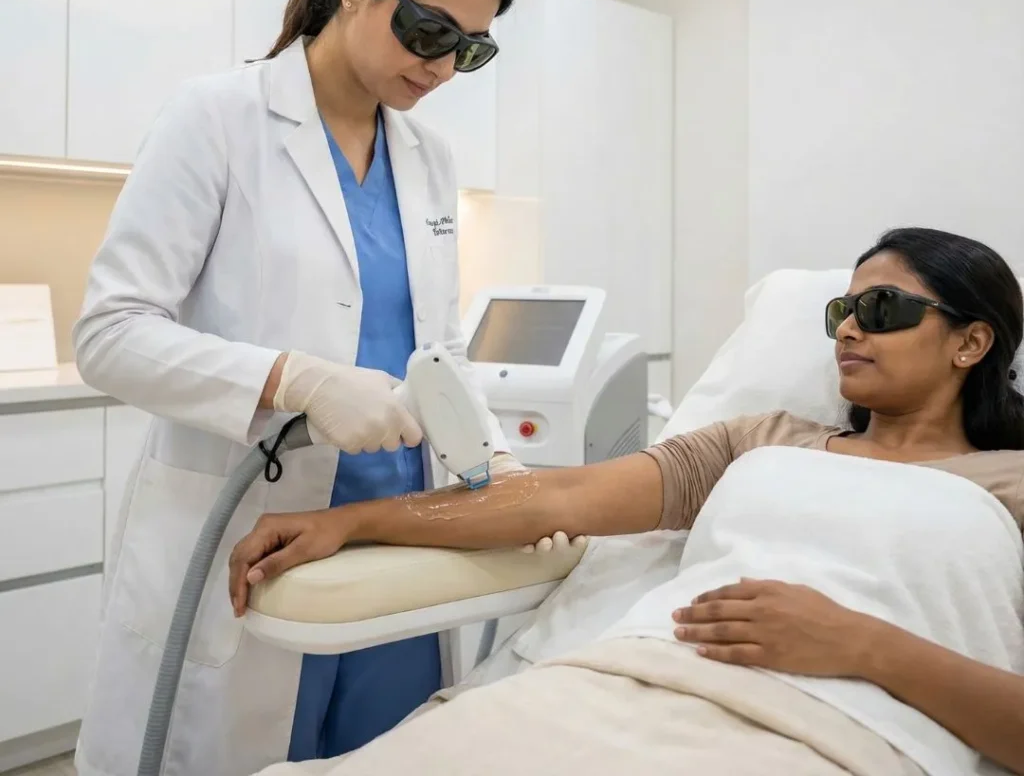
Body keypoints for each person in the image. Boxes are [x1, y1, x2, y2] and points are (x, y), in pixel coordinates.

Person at [72, 0, 567, 776]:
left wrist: (498, 468)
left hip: (397, 537)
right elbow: (110, 333)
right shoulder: (217, 119)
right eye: (428, 32)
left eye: (470, 49)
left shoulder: (429, 157)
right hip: (254, 540)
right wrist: (293, 380)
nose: (442, 69)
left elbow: (440, 354)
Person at [233, 228, 1024, 776]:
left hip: (826, 734)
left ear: (971, 342)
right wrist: (350, 523)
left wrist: (862, 645)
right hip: (614, 686)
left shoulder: (1010, 484)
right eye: (841, 312)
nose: (849, 330)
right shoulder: (764, 440)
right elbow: (553, 498)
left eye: (880, 310)